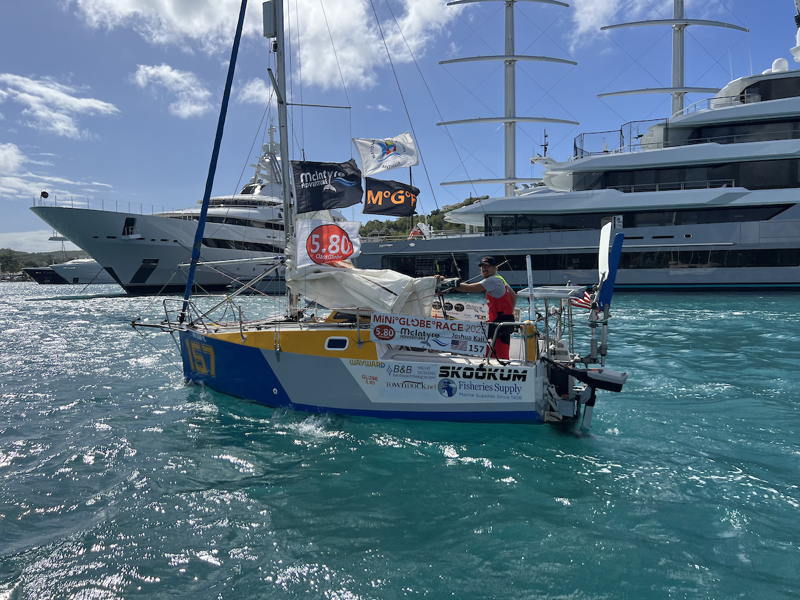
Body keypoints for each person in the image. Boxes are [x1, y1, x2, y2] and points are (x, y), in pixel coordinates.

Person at [443, 256, 517, 360]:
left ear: (495, 268)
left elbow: (469, 288)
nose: (484, 269)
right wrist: (507, 313)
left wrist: (447, 283)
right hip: (504, 321)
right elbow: (514, 295)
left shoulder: (492, 280)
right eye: (482, 266)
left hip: (499, 323)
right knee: (499, 350)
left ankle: (452, 352)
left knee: (467, 334)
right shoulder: (500, 279)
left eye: (487, 266)